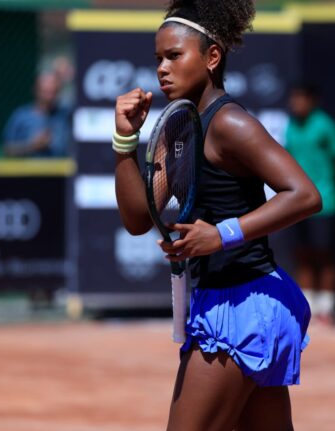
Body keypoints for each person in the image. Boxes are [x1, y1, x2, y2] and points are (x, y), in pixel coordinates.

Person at [113, 1, 321, 430]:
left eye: (174, 56)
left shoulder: (229, 124)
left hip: (244, 306)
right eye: (158, 59)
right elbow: (137, 219)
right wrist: (125, 141)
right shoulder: (177, 128)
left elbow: (304, 195)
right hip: (229, 301)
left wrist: (223, 234)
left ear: (212, 57)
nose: (162, 69)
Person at [285, 83, 335, 327]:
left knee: (325, 254)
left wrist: (331, 188)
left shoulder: (326, 126)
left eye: (301, 98)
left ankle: (327, 308)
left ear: (313, 101)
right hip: (297, 204)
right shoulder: (291, 126)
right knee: (303, 254)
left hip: (326, 202)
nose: (296, 103)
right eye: (294, 98)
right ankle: (307, 306)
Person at [2, 72, 71, 157]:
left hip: (61, 165)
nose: (49, 97)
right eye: (45, 92)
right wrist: (32, 146)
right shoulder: (21, 116)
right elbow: (6, 150)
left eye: (53, 92)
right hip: (29, 165)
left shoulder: (65, 115)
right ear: (35, 90)